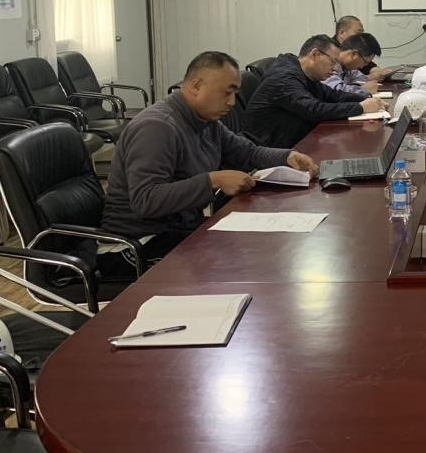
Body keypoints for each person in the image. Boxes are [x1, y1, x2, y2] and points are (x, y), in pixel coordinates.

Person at [100, 51, 318, 267]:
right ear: (196, 86)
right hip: (137, 243)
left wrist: (287, 156)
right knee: (241, 264)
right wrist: (213, 180)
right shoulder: (156, 127)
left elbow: (247, 153)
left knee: (261, 250)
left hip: (178, 229)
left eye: (235, 94)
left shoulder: (206, 122)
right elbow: (146, 200)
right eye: (226, 93)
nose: (232, 102)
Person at [243, 34, 384, 149]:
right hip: (268, 151)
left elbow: (333, 95)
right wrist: (360, 107)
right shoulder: (284, 78)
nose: (335, 68)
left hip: (295, 142)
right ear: (315, 54)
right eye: (333, 62)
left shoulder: (305, 73)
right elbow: (313, 110)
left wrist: (368, 99)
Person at [335, 15, 389, 81]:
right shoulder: (331, 56)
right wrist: (365, 85)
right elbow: (335, 86)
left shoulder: (348, 63)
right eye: (358, 32)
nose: (361, 36)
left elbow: (357, 73)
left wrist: (377, 72)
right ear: (341, 33)